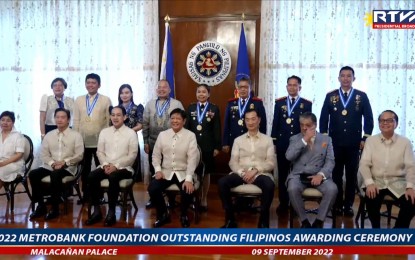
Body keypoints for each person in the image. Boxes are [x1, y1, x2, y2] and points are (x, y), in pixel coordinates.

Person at [319, 66, 374, 216]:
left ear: (353, 79)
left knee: (351, 176)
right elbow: (323, 119)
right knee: (335, 175)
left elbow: (368, 119)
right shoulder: (331, 96)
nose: (345, 78)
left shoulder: (361, 96)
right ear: (338, 78)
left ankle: (348, 205)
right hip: (335, 144)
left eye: (349, 76)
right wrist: (325, 138)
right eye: (342, 76)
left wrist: (365, 138)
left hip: (353, 144)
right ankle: (336, 204)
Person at [218, 109, 276, 228]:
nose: (250, 122)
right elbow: (233, 162)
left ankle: (263, 221)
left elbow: (271, 163)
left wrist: (255, 171)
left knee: (269, 185)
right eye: (247, 119)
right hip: (241, 172)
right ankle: (230, 219)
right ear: (244, 121)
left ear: (259, 120)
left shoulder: (268, 140)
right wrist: (242, 172)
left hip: (260, 173)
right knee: (222, 183)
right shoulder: (238, 140)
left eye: (253, 119)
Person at [359, 110, 415, 228]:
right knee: (371, 198)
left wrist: (410, 187)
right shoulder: (371, 141)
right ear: (379, 123)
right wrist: (369, 183)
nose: (385, 123)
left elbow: (411, 166)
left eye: (389, 120)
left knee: (411, 201)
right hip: (376, 180)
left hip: (398, 181)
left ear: (396, 123)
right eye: (382, 120)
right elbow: (364, 164)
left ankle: (398, 232)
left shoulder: (405, 142)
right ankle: (377, 232)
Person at [85, 106, 138, 226]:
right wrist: (104, 165)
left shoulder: (131, 133)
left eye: (118, 115)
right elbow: (100, 152)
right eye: (113, 115)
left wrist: (116, 166)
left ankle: (111, 212)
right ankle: (97, 210)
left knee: (113, 177)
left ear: (125, 117)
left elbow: (132, 155)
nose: (115, 117)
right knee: (92, 176)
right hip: (106, 165)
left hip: (125, 168)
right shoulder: (104, 132)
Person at [147, 108, 199, 228]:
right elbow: (155, 155)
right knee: (153, 188)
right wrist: (158, 170)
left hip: (183, 172)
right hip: (166, 172)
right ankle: (163, 214)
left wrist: (189, 178)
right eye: (173, 118)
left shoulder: (190, 136)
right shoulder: (162, 135)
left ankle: (184, 215)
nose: (175, 121)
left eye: (178, 119)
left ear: (184, 121)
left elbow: (192, 159)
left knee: (187, 189)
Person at [29, 108, 84, 220]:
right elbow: (44, 154)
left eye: (63, 117)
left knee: (56, 175)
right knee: (33, 174)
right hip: (51, 165)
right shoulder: (49, 135)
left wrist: (65, 162)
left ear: (68, 120)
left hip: (68, 167)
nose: (59, 119)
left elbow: (79, 155)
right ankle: (41, 206)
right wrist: (52, 163)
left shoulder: (76, 135)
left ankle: (55, 209)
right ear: (54, 119)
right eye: (57, 117)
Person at [286, 112, 337, 228]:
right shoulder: (295, 139)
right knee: (292, 188)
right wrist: (304, 140)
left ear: (315, 125)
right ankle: (304, 221)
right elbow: (289, 157)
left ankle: (319, 221)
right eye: (302, 125)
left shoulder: (326, 139)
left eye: (308, 125)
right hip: (299, 176)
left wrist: (321, 175)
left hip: (318, 175)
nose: (304, 128)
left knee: (332, 189)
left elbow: (330, 161)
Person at [271, 75, 312, 214]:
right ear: (286, 86)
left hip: (299, 145)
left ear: (299, 87)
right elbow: (275, 124)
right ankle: (283, 203)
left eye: (295, 85)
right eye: (290, 85)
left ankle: (296, 205)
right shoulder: (279, 103)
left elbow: (308, 125)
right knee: (283, 175)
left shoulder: (306, 104)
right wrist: (274, 142)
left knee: (297, 175)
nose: (292, 87)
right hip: (282, 144)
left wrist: (307, 141)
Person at [142, 79, 184, 208]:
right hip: (153, 142)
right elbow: (145, 123)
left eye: (164, 87)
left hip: (172, 143)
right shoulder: (149, 104)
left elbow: (182, 121)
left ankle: (171, 198)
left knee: (169, 169)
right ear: (156, 90)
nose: (161, 89)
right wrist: (145, 141)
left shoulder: (177, 103)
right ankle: (154, 197)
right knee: (154, 170)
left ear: (170, 90)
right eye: (159, 87)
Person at [73, 73, 112, 201]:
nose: (90, 85)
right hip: (83, 140)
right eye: (88, 82)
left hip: (99, 141)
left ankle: (99, 195)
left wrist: (106, 139)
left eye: (93, 82)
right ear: (85, 84)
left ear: (99, 85)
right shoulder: (78, 100)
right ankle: (86, 195)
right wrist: (76, 139)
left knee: (101, 168)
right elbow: (76, 120)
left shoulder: (105, 100)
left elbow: (108, 121)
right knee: (84, 169)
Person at [185, 84, 221, 211]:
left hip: (208, 146)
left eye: (204, 92)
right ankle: (193, 197)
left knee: (206, 173)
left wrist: (217, 147)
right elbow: (187, 128)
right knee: (193, 172)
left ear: (208, 94)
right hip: (193, 145)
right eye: (199, 92)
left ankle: (204, 198)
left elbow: (217, 129)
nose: (201, 94)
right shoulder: (190, 108)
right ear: (196, 94)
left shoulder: (214, 108)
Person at [222, 77, 267, 153]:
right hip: (234, 141)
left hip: (252, 141)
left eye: (245, 87)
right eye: (240, 87)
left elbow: (263, 124)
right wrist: (225, 143)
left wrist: (262, 141)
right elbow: (227, 124)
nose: (243, 89)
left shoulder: (257, 103)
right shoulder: (231, 103)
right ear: (237, 89)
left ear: (250, 88)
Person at [117, 84, 144, 181]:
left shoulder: (138, 108)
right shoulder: (116, 108)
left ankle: (130, 189)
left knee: (132, 163)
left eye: (127, 93)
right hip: (117, 140)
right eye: (122, 93)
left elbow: (141, 125)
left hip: (132, 138)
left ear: (131, 94)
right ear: (119, 95)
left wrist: (127, 132)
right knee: (119, 163)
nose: (124, 95)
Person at [0, 111, 25, 191]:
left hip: (14, 163)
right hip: (1, 162)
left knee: (1, 171)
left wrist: (3, 163)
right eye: (3, 120)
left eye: (8, 120)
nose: (5, 122)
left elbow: (19, 155)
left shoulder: (18, 136)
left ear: (13, 122)